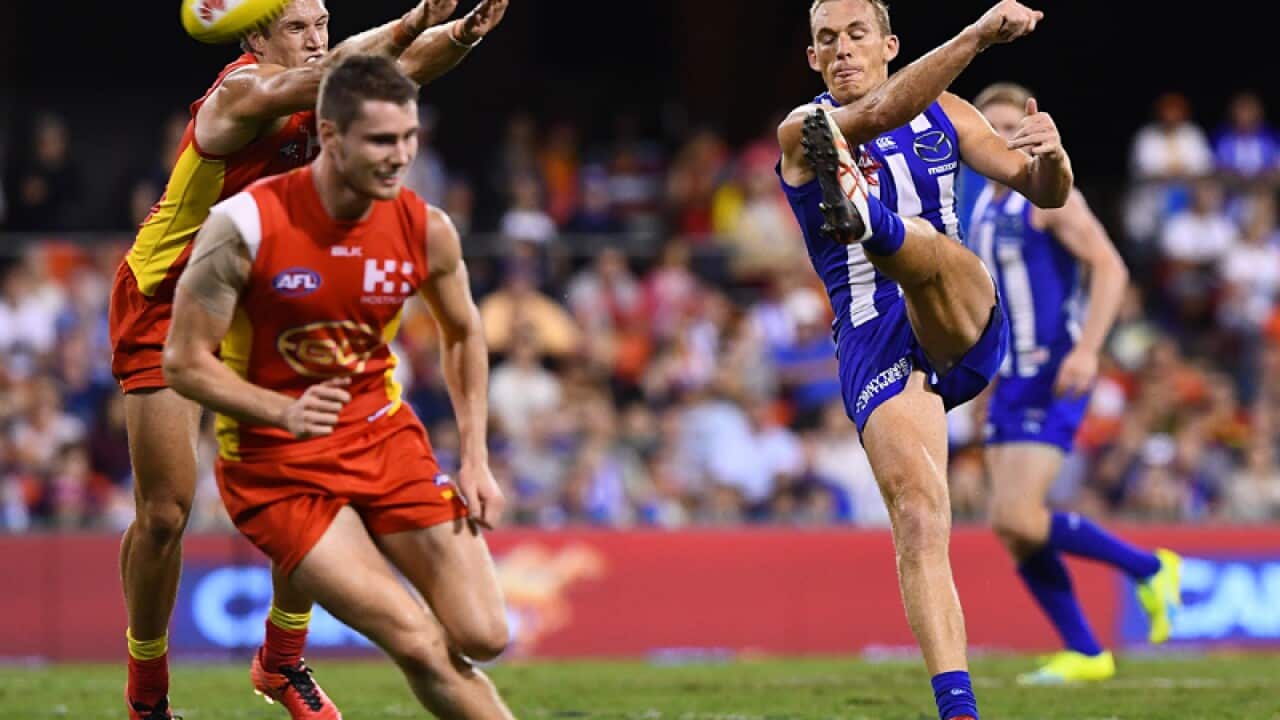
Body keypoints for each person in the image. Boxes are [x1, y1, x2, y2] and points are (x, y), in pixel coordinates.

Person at [107, 1, 510, 718]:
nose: (316, 38)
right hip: (166, 298)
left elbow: (404, 70)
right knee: (165, 512)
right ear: (255, 35)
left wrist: (459, 35)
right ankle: (147, 692)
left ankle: (282, 660)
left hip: (264, 298)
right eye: (297, 27)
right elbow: (342, 71)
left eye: (323, 22)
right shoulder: (239, 93)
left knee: (312, 472)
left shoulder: (328, 95)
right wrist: (414, 18)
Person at [776, 1, 1073, 717]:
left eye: (856, 35)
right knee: (917, 516)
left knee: (932, 251)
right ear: (812, 59)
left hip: (958, 309)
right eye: (826, 40)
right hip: (872, 338)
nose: (841, 50)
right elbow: (881, 112)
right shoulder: (803, 128)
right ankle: (958, 709)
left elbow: (1044, 193)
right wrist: (977, 36)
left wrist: (1054, 158)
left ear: (890, 45)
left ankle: (870, 220)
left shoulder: (949, 112)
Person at [969, 82, 1181, 684]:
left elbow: (1110, 266)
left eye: (1010, 125)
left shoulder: (1046, 198)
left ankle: (1148, 567)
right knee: (1011, 526)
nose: (999, 136)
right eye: (989, 127)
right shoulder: (981, 204)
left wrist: (1088, 350)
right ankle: (1086, 651)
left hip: (1053, 369)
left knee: (1017, 515)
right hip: (1009, 377)